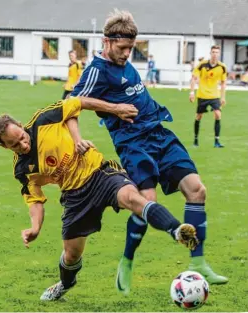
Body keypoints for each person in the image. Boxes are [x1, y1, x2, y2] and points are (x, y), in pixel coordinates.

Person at [71, 9, 228, 294]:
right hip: (133, 143)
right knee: (147, 202)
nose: (127, 53)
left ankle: (198, 263)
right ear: (107, 41)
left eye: (132, 48)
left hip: (159, 133)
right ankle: (127, 261)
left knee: (197, 190)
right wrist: (110, 112)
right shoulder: (96, 69)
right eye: (122, 48)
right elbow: (71, 104)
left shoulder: (124, 59)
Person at [0, 96, 199, 301]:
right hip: (74, 196)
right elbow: (35, 200)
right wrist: (35, 227)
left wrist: (115, 109)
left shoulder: (44, 119)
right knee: (71, 254)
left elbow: (78, 103)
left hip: (100, 174)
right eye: (15, 145)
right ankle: (66, 283)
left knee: (132, 198)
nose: (23, 144)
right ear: (5, 147)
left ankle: (177, 230)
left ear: (20, 125)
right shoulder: (22, 169)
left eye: (22, 137)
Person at [190, 46, 227, 148]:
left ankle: (217, 142)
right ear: (210, 53)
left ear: (219, 54)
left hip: (214, 95)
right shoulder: (202, 65)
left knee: (218, 114)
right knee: (199, 116)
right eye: (213, 52)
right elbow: (194, 78)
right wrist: (192, 92)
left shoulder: (222, 67)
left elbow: (223, 83)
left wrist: (223, 97)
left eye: (217, 52)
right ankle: (196, 140)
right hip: (202, 94)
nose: (215, 54)